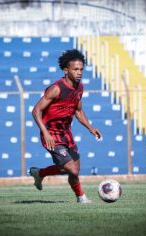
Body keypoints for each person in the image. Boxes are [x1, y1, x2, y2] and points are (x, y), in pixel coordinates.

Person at [30, 49, 102, 204]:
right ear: (65, 70)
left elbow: (78, 110)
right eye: (75, 69)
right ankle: (81, 197)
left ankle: (39, 173)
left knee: (69, 169)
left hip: (66, 134)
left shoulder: (79, 88)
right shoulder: (56, 88)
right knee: (72, 169)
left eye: (81, 69)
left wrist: (90, 127)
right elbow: (36, 110)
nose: (79, 72)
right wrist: (45, 133)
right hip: (51, 134)